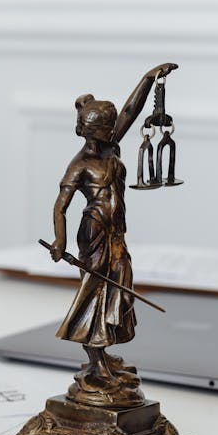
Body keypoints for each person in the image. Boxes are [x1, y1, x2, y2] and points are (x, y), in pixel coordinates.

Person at [48, 62, 177, 407]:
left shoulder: (109, 146)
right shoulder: (80, 164)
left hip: (117, 233)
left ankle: (103, 360)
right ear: (95, 131)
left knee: (120, 291)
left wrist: (148, 79)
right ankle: (96, 364)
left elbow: (131, 112)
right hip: (93, 235)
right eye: (110, 127)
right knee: (96, 295)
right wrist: (59, 241)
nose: (116, 130)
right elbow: (60, 206)